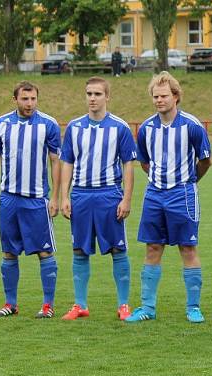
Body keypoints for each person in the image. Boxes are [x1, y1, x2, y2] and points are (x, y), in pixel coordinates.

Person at [125, 71, 212, 323]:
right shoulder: (146, 128)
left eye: (163, 96)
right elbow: (144, 162)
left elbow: (205, 161)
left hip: (182, 194)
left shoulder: (192, 126)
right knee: (152, 247)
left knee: (188, 247)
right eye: (155, 96)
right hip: (154, 195)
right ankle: (147, 308)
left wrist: (189, 180)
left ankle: (193, 307)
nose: (159, 100)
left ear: (175, 97)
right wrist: (158, 180)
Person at [58, 77, 136, 321]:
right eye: (89, 93)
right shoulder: (74, 127)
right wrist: (64, 196)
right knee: (79, 250)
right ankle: (80, 304)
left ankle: (123, 304)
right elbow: (67, 162)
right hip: (80, 195)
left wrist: (126, 198)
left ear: (107, 97)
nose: (92, 98)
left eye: (97, 94)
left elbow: (128, 165)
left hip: (109, 195)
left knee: (117, 249)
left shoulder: (119, 127)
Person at [0, 81, 61, 318]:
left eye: (33, 99)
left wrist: (56, 197)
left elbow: (55, 161)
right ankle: (11, 304)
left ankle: (47, 305)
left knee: (44, 252)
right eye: (25, 99)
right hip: (9, 199)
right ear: (15, 100)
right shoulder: (1, 124)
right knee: (8, 252)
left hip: (36, 200)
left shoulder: (48, 125)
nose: (29, 104)